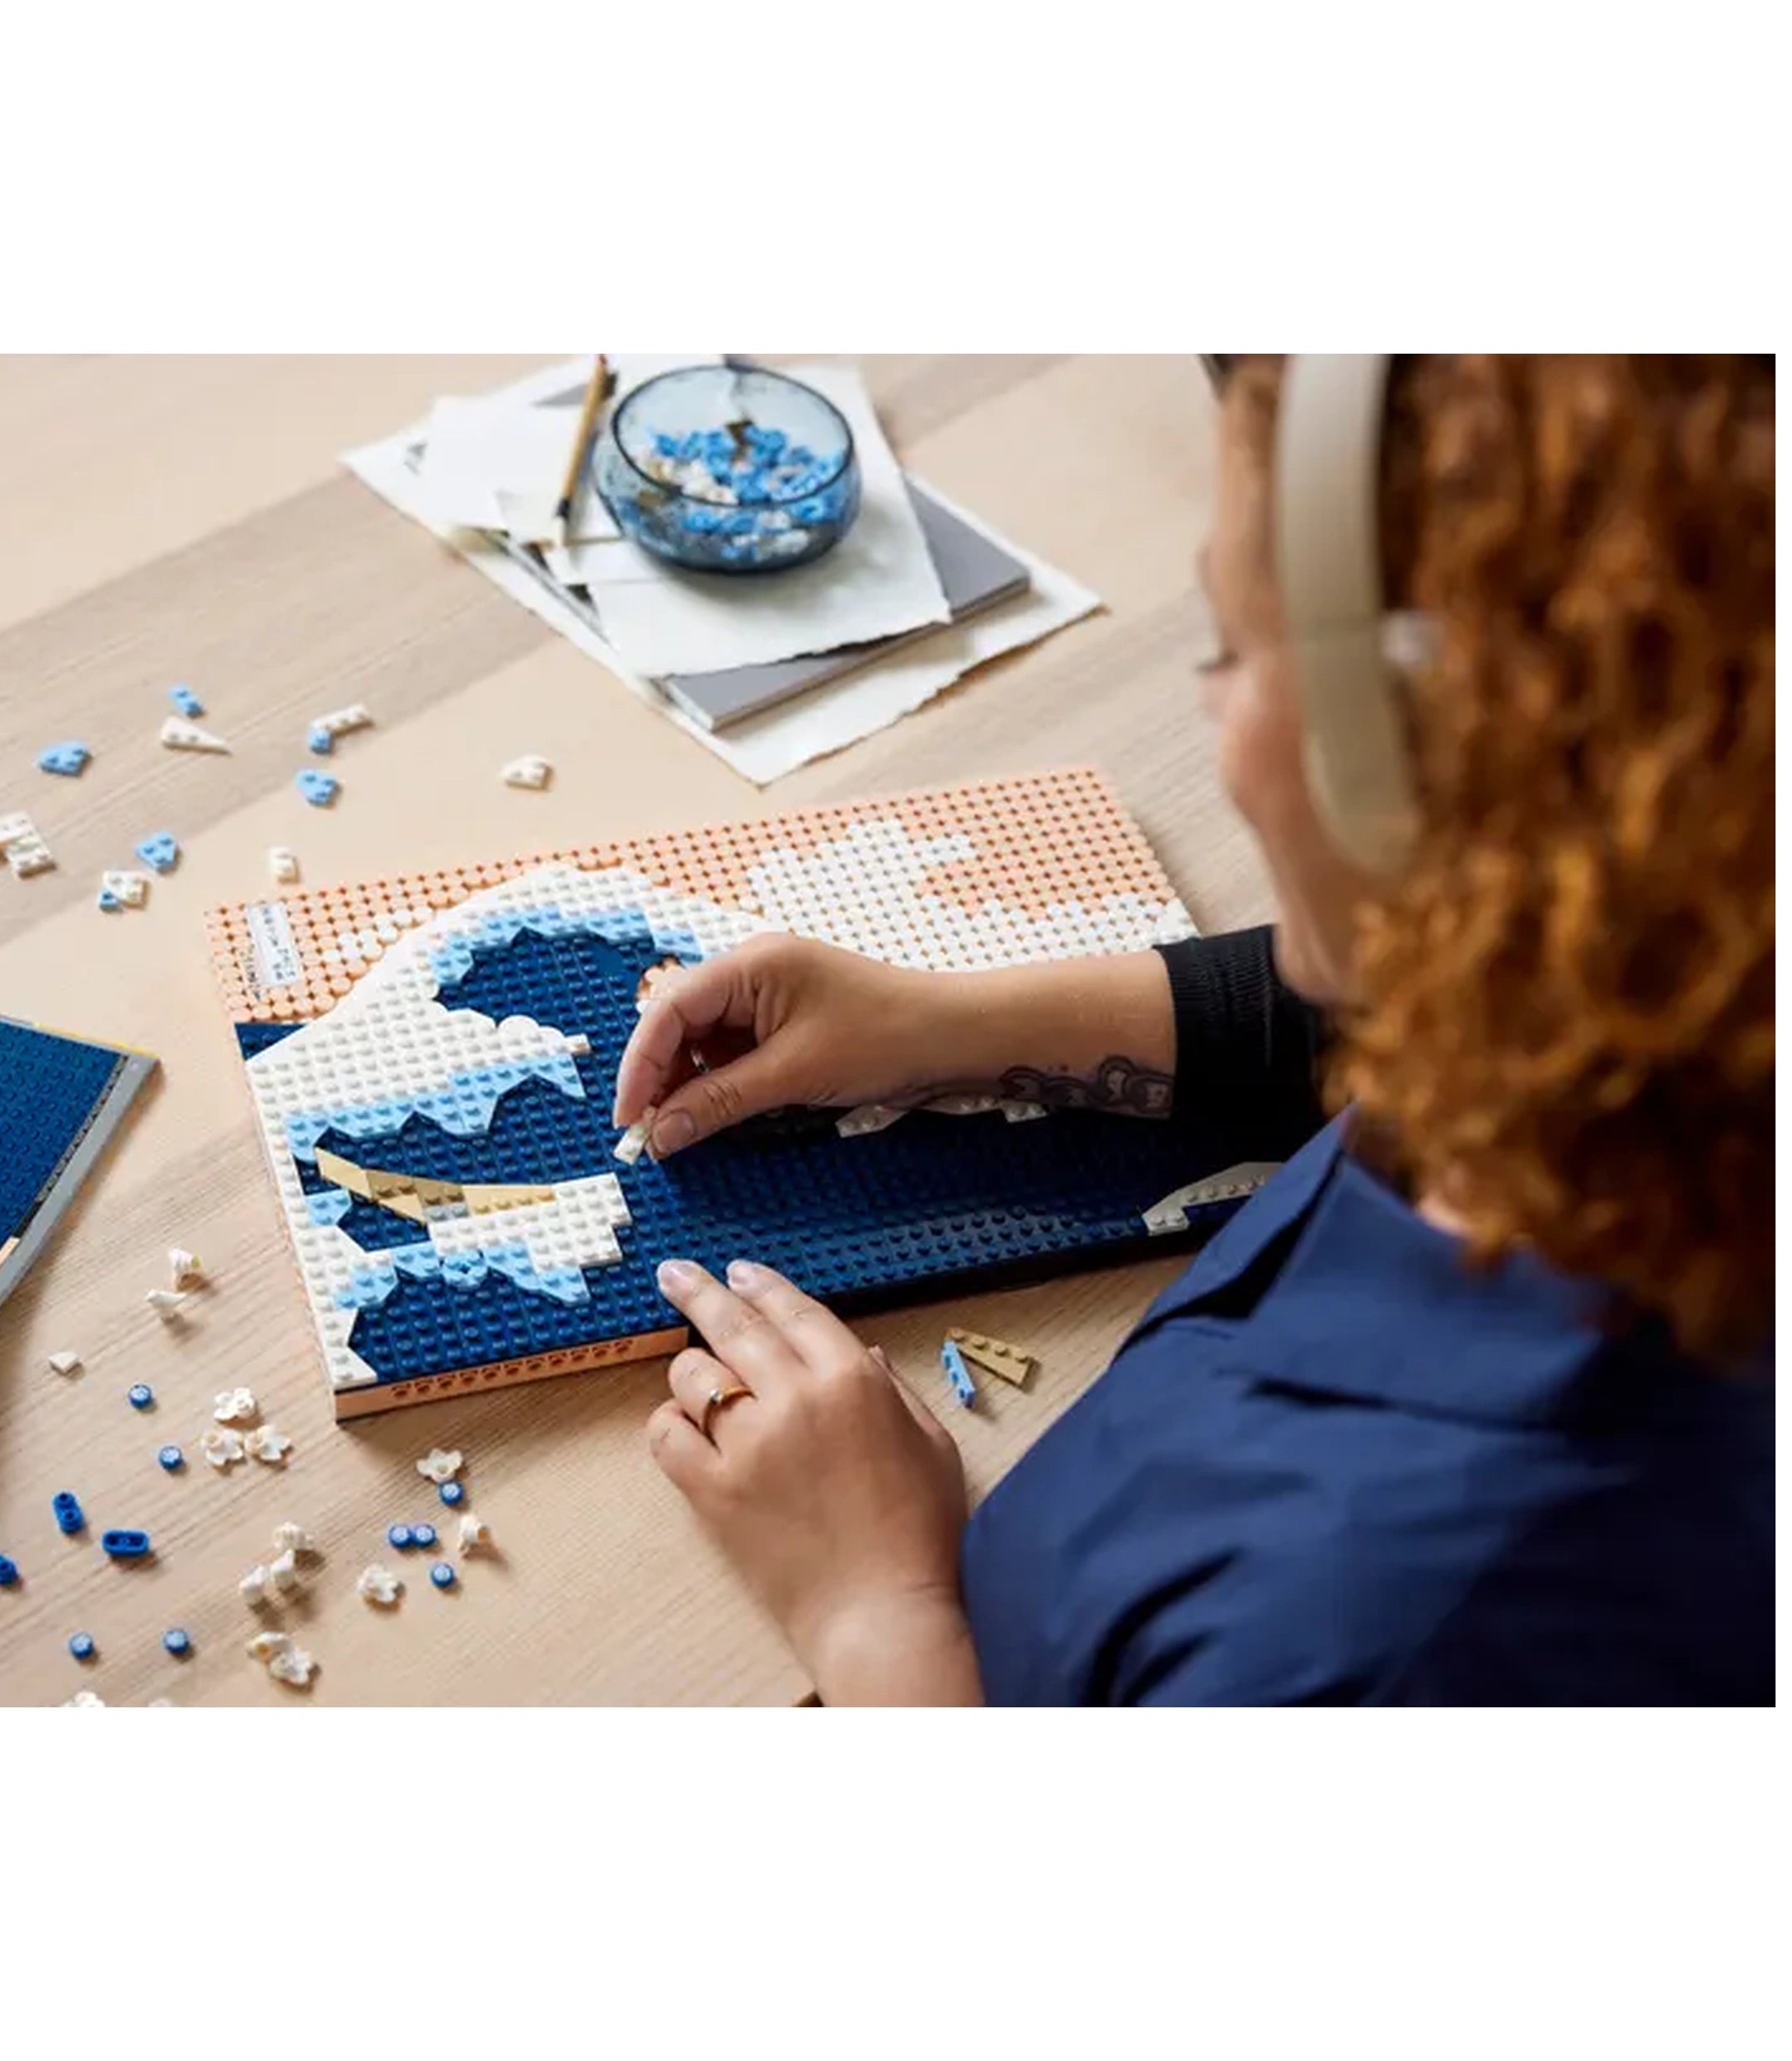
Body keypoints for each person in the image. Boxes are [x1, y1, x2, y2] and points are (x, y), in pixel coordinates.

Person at [612, 354, 1774, 1706]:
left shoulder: (1373, 1629)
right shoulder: (1673, 1012)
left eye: (1232, 645)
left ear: (1401, 766)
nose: (1218, 723)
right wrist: (946, 1025)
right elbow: (1400, 1004)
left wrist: (878, 1616)